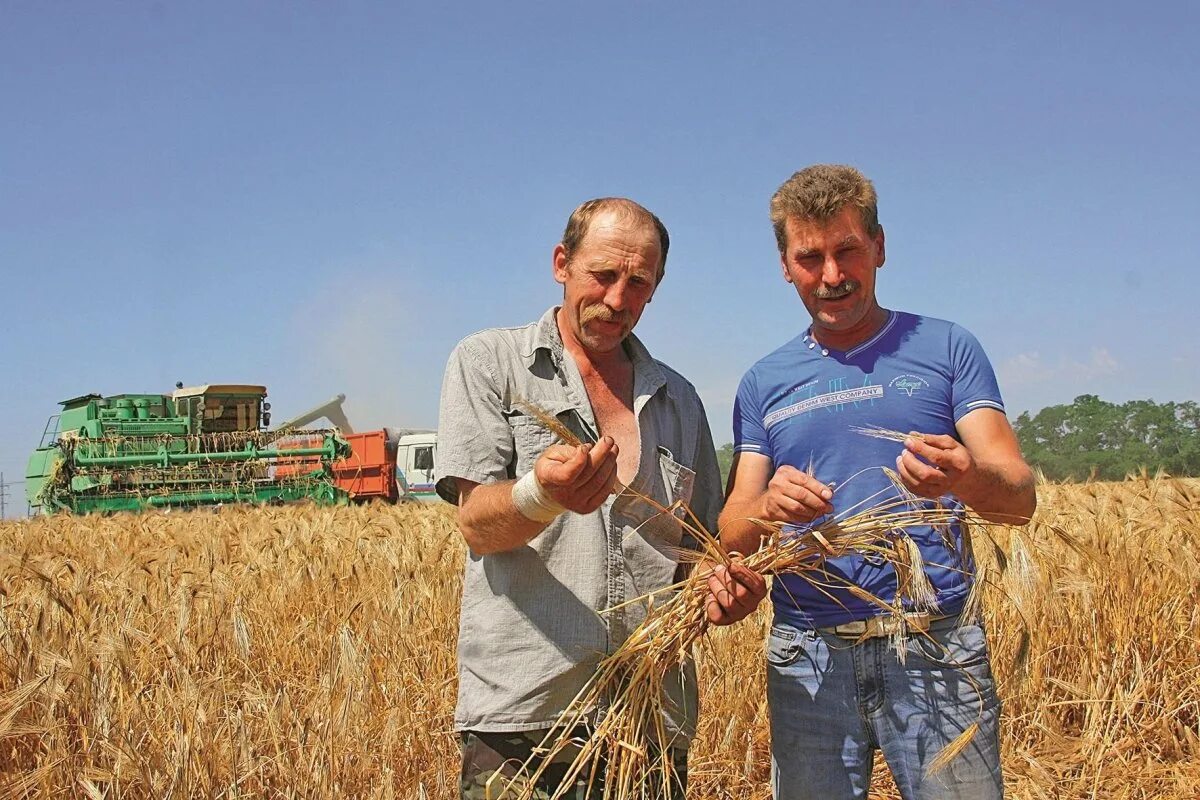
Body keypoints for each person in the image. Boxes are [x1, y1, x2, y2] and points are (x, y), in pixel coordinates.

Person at [719, 165, 1037, 800]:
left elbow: (1019, 498)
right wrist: (768, 509)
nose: (832, 276)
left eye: (848, 251)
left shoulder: (948, 349)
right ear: (785, 264)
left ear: (880, 247)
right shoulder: (763, 382)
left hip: (936, 644)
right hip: (807, 653)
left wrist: (966, 475)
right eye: (810, 257)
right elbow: (731, 529)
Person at [435, 197, 764, 799]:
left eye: (638, 283)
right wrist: (541, 493)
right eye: (604, 275)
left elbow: (701, 548)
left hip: (649, 722)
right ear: (562, 263)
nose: (618, 300)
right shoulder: (491, 363)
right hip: (529, 718)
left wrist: (725, 590)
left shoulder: (680, 400)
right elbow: (478, 525)